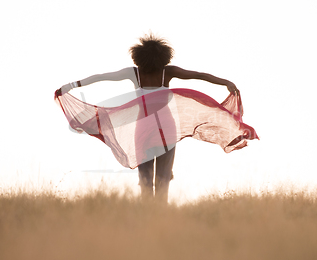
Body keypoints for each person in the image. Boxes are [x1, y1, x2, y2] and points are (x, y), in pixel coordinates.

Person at [56, 33, 251, 203]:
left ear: (138, 57)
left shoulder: (135, 73)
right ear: (164, 57)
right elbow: (198, 75)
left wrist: (71, 86)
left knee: (146, 179)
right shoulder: (167, 72)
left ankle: (148, 216)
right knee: (163, 178)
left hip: (144, 132)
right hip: (167, 130)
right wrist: (226, 82)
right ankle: (160, 215)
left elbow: (101, 77)